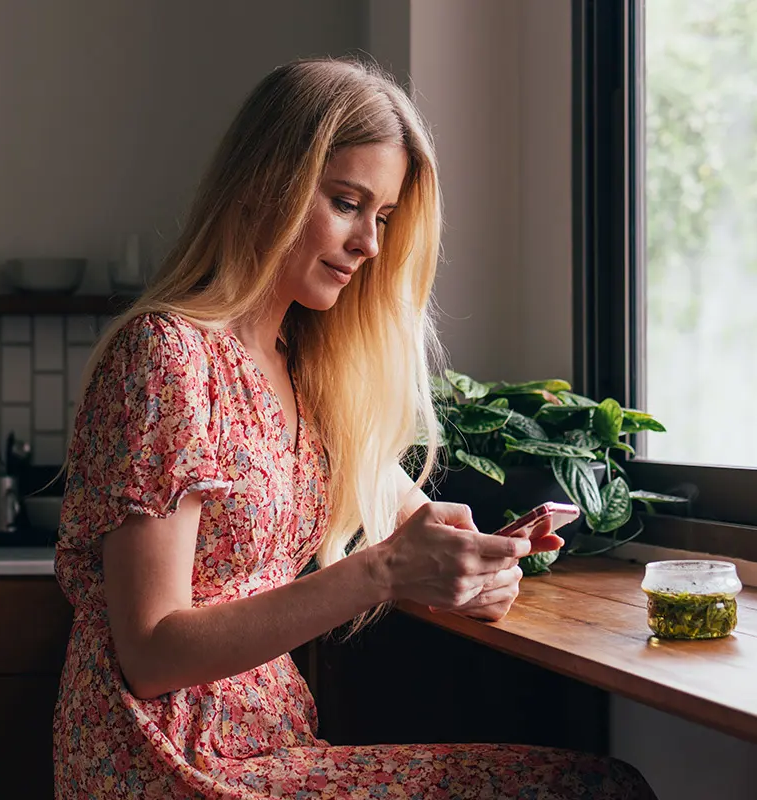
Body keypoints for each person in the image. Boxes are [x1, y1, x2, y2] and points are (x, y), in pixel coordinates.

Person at [52, 58, 657, 800]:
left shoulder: (310, 372)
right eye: (347, 202)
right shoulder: (169, 356)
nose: (370, 243)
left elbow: (419, 528)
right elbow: (149, 653)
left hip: (272, 746)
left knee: (599, 785)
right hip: (166, 766)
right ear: (265, 184)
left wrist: (476, 567)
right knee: (594, 791)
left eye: (385, 217)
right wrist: (385, 570)